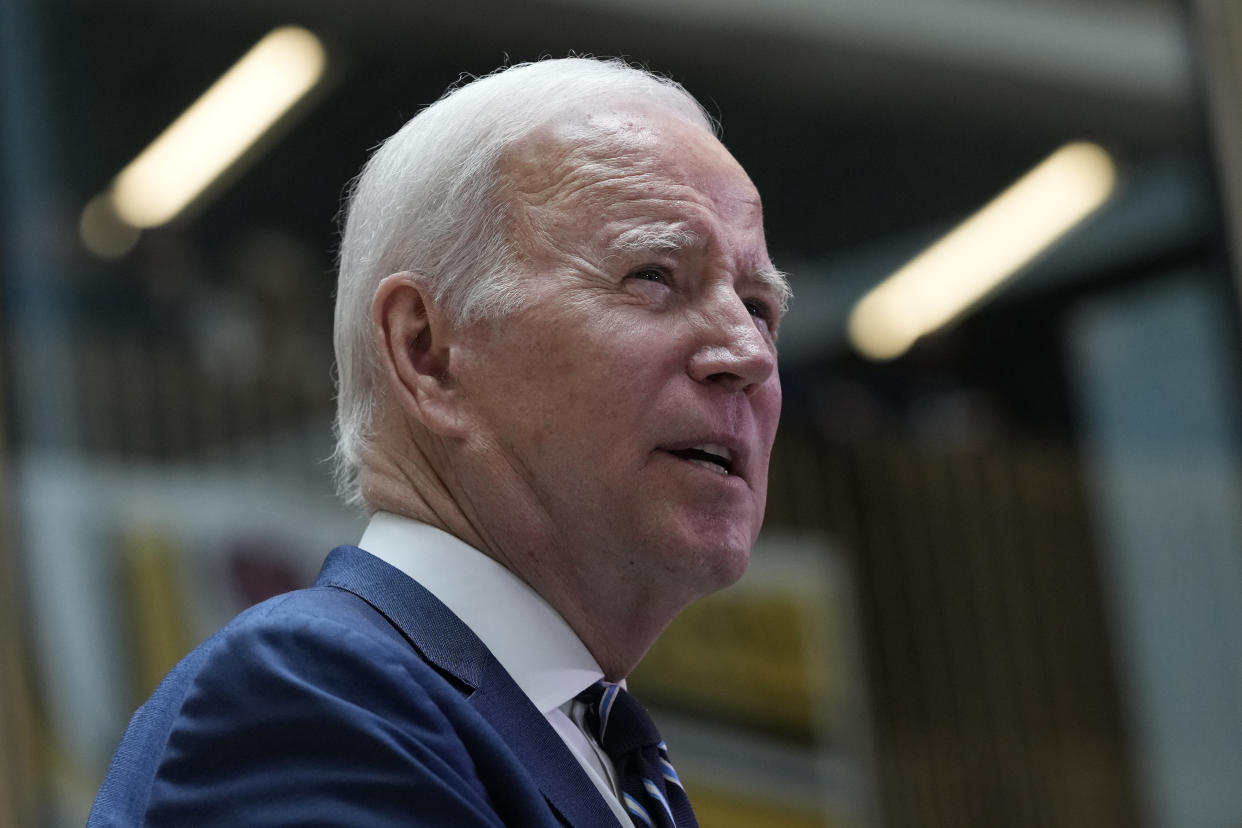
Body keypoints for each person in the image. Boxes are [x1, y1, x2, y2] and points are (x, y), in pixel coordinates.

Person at [89, 56, 789, 827]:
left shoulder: (590, 748)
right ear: (426, 350)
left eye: (759, 307)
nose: (748, 354)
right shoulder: (316, 700)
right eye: (654, 276)